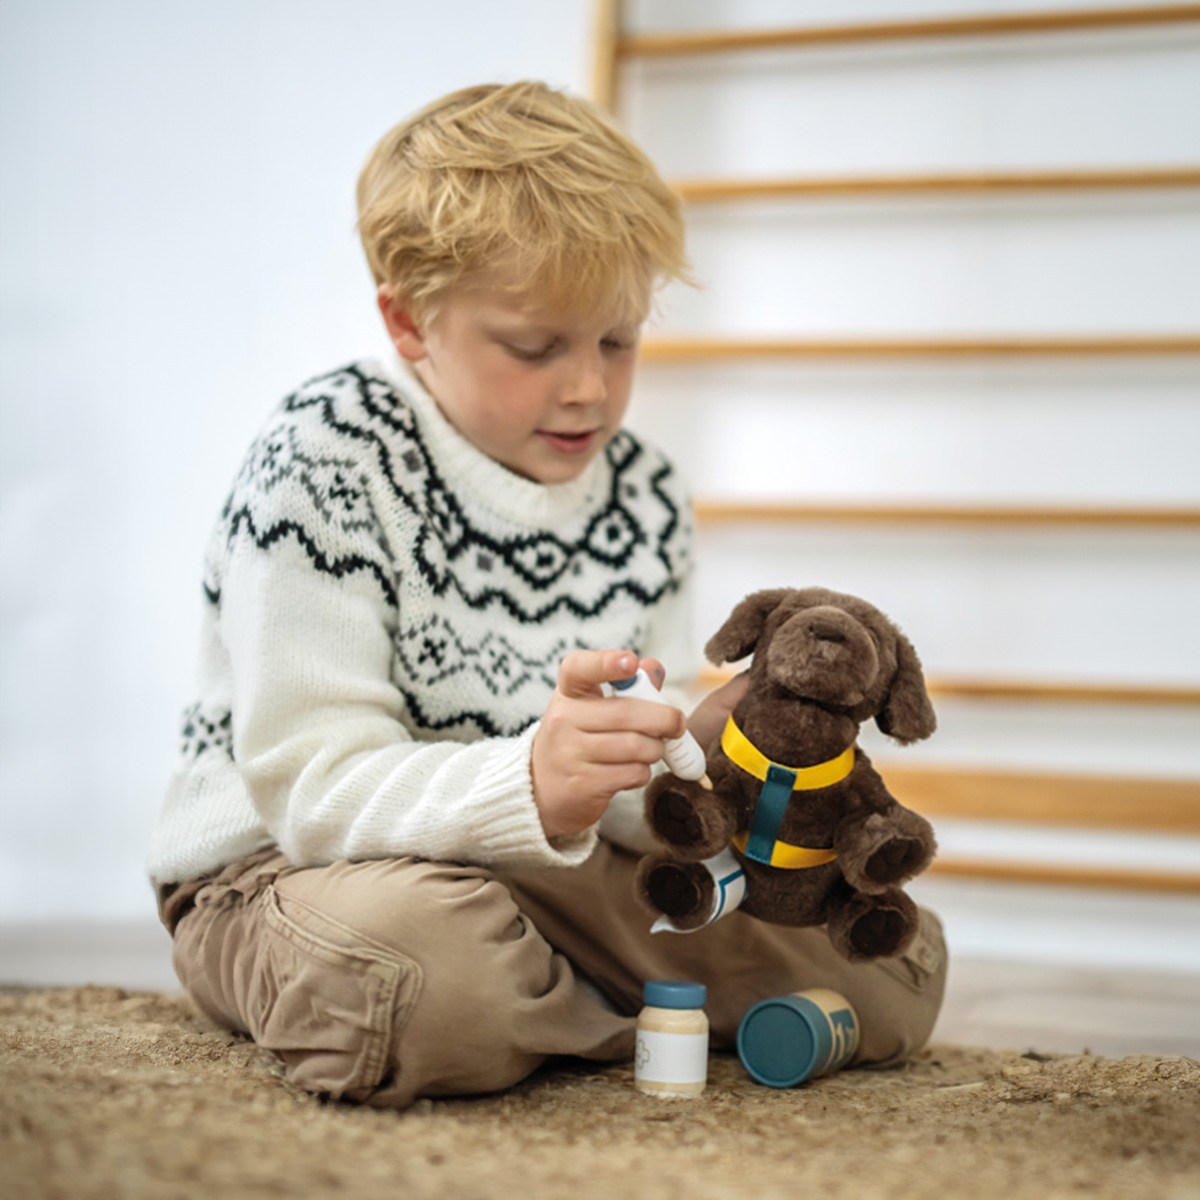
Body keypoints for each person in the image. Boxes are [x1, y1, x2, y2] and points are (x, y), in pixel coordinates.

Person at [150, 80, 946, 1108]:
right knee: (419, 973)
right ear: (408, 323)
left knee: (894, 971)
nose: (588, 388)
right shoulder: (326, 460)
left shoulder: (645, 493)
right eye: (536, 347)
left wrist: (719, 783)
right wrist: (528, 781)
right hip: (284, 871)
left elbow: (641, 800)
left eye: (618, 340)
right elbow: (311, 791)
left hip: (538, 878)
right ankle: (604, 1013)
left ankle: (549, 1015)